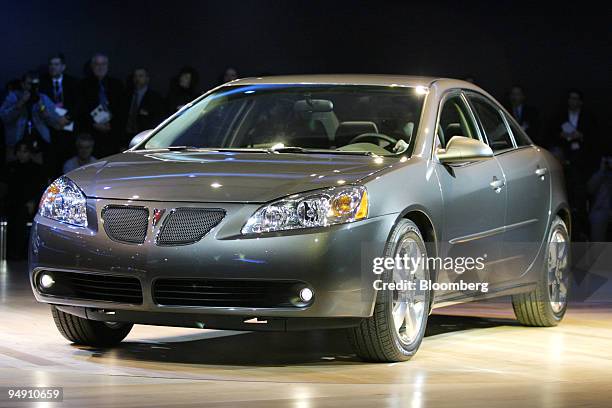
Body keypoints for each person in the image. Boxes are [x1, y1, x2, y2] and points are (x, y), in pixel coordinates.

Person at [547, 89, 600, 240]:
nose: (573, 102)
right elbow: (551, 134)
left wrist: (581, 136)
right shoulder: (559, 117)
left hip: (582, 159)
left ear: (581, 101)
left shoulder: (588, 118)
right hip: (565, 156)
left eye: (576, 99)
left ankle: (580, 222)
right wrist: (562, 136)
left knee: (579, 187)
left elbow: (595, 139)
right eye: (571, 99)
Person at [0, 71, 64, 162]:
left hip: (38, 142)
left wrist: (41, 106)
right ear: (23, 84)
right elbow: (4, 117)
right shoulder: (13, 96)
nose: (33, 87)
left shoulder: (42, 98)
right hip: (16, 143)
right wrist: (21, 103)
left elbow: (56, 121)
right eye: (30, 84)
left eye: (36, 84)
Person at [2, 141, 46, 259]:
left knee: (20, 215)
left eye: (25, 151)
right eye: (19, 151)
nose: (22, 154)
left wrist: (33, 202)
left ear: (30, 153)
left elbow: (41, 190)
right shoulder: (10, 167)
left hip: (29, 205)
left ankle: (17, 253)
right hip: (11, 203)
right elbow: (5, 188)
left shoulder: (37, 169)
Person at [77, 53, 126, 158]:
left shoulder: (117, 84)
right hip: (90, 135)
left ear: (107, 66)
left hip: (113, 134)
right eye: (97, 64)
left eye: (103, 64)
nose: (100, 67)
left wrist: (111, 125)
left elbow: (122, 110)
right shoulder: (82, 85)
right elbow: (80, 109)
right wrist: (94, 124)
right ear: (92, 66)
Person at [40, 53, 80, 176]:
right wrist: (43, 111)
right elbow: (39, 103)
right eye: (51, 64)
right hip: (50, 128)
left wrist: (67, 118)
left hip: (68, 127)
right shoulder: (43, 82)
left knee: (67, 160)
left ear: (63, 67)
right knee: (52, 163)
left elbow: (79, 103)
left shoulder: (73, 82)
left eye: (56, 64)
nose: (53, 67)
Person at [124, 68, 164, 146]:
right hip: (127, 136)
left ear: (147, 78)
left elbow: (157, 118)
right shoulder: (126, 95)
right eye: (135, 76)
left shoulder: (154, 97)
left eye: (141, 76)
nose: (137, 79)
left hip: (144, 137)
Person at [587, 154, 612, 242]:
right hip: (601, 210)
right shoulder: (599, 174)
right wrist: (602, 171)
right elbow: (590, 189)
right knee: (598, 218)